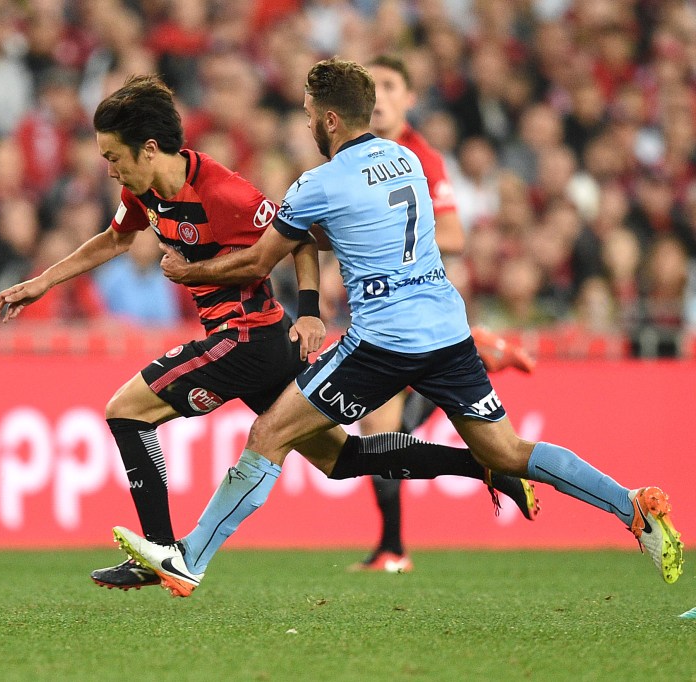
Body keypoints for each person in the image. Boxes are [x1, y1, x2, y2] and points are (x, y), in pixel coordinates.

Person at [113, 58, 683, 597]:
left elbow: (259, 261)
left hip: (383, 341)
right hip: (447, 330)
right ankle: (628, 503)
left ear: (330, 119)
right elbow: (362, 230)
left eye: (311, 113)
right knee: (507, 452)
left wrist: (191, 270)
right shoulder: (403, 159)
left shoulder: (319, 183)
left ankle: (189, 559)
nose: (308, 122)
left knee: (269, 436)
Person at [0, 75, 539, 593]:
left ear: (149, 149)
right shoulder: (148, 192)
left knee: (125, 409)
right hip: (255, 346)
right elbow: (111, 240)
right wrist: (40, 283)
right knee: (341, 459)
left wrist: (307, 310)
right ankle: (487, 465)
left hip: (247, 337)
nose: (110, 169)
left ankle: (160, 552)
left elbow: (298, 238)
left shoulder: (225, 194)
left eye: (113, 156)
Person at [351, 54, 537, 574]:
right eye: (371, 86)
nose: (379, 95)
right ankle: (393, 546)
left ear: (409, 98)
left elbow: (454, 234)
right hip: (380, 309)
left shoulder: (422, 157)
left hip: (414, 311)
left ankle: (393, 547)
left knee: (380, 429)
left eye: (390, 84)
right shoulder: (353, 154)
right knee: (381, 431)